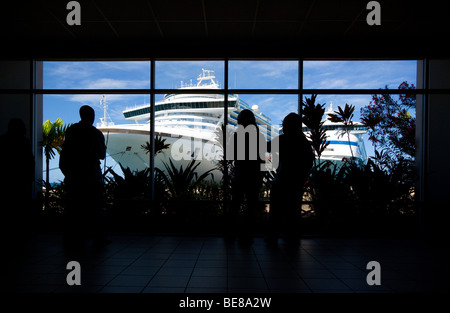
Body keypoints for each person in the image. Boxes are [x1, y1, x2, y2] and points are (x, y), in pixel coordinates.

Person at [59, 105, 109, 251]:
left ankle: (71, 237)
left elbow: (65, 154)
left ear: (81, 115)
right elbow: (101, 154)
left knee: (73, 209)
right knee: (96, 208)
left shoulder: (71, 131)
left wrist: (68, 173)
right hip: (92, 177)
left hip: (74, 176)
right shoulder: (95, 133)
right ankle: (99, 237)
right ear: (92, 117)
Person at [266, 113, 314, 246]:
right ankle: (291, 237)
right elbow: (309, 163)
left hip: (281, 180)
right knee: (293, 212)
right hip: (296, 182)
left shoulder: (283, 139)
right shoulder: (304, 142)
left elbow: (266, 147)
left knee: (275, 211)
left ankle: (273, 236)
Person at [226, 109, 266, 244]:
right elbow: (261, 159)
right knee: (251, 207)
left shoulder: (237, 136)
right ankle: (246, 235)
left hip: (240, 174)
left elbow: (231, 156)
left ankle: (230, 233)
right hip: (254, 175)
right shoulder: (259, 136)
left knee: (235, 205)